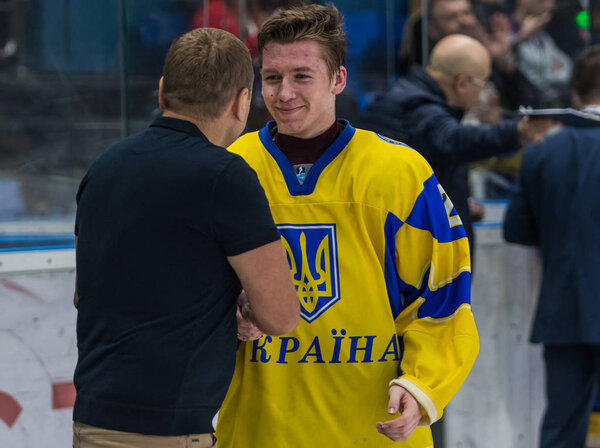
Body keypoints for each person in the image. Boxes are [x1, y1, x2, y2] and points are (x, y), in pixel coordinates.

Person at [215, 5, 479, 447]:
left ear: (338, 79)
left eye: (302, 76)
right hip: (260, 430)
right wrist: (228, 310)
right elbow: (194, 289)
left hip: (371, 430)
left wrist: (420, 384)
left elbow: (445, 297)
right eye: (272, 77)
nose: (283, 93)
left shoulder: (400, 172)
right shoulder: (231, 168)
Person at [71, 27, 299, 448]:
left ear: (162, 92)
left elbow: (85, 294)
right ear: (241, 102)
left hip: (92, 420)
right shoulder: (226, 177)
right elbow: (281, 316)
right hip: (171, 429)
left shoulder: (104, 168)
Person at [360, 34, 554, 259]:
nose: (484, 93)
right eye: (483, 83)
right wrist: (516, 132)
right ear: (462, 83)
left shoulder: (403, 98)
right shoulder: (414, 106)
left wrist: (458, 203)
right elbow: (454, 139)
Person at [503, 45, 600, 448]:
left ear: (575, 95)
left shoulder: (541, 154)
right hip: (568, 307)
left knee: (562, 426)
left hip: (567, 308)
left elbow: (516, 229)